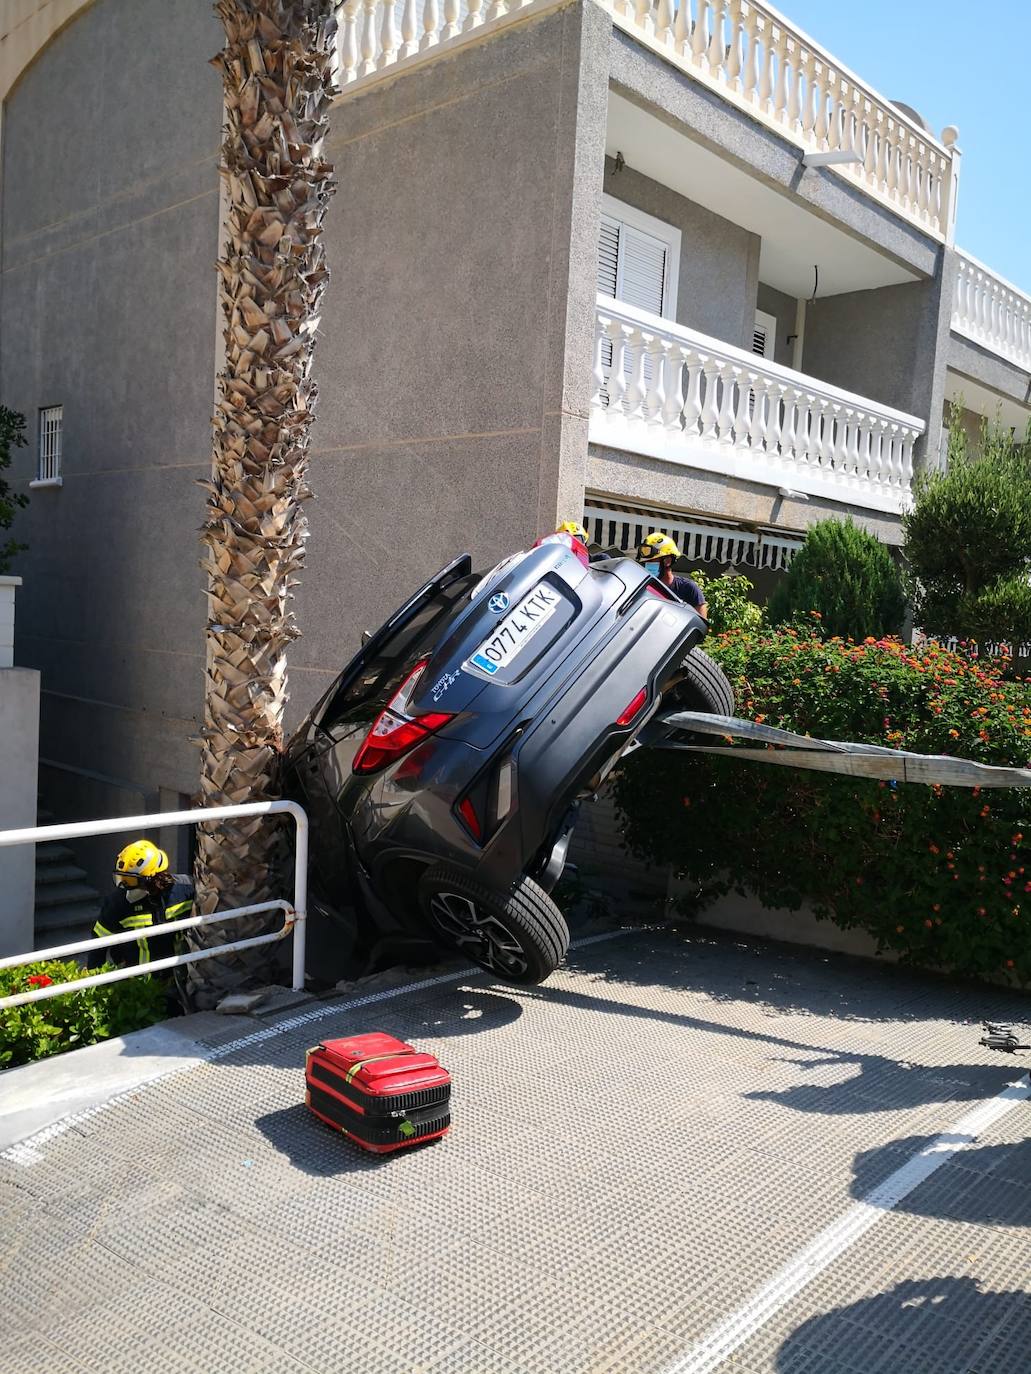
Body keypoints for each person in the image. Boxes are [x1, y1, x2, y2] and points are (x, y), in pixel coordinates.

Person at [91, 839, 193, 971]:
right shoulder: (116, 904)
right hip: (137, 985)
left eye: (131, 880)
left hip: (179, 979)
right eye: (121, 879)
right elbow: (97, 947)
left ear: (154, 877)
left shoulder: (185, 889)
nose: (124, 886)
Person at [637, 531, 708, 619]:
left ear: (667, 561)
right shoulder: (644, 589)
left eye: (651, 561)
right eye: (645, 562)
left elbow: (701, 624)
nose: (647, 565)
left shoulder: (689, 588)